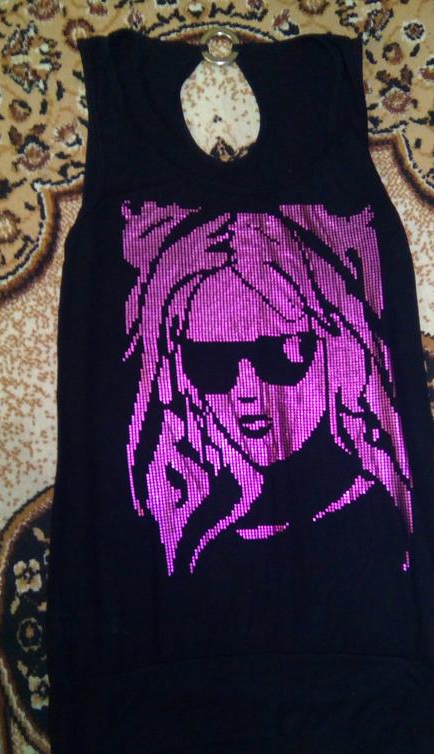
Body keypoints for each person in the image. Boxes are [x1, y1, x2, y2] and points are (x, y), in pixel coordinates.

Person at [121, 199, 414, 577]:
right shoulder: (194, 523)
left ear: (337, 351)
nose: (246, 390)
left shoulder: (373, 521)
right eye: (211, 363)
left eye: (281, 355)